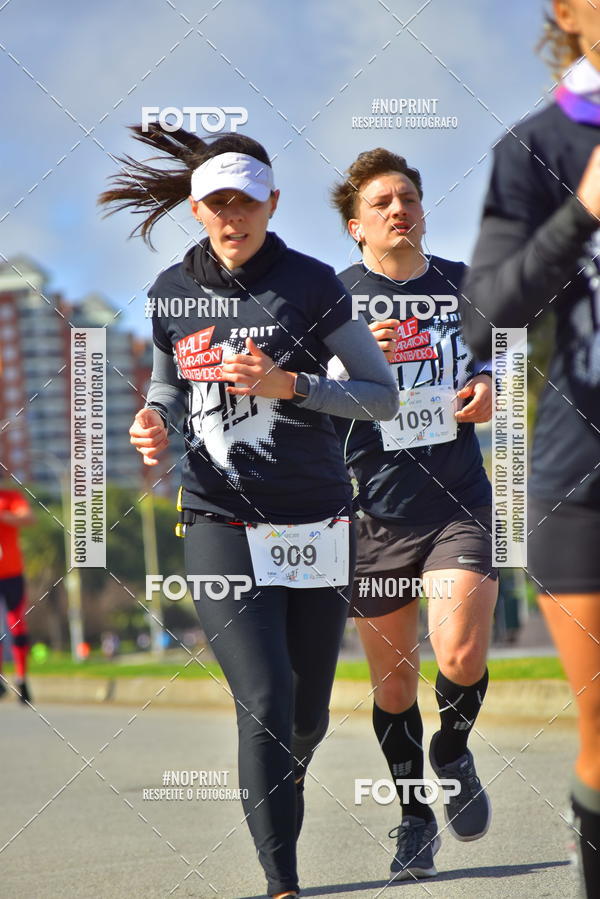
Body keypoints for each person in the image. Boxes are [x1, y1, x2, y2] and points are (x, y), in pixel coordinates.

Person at [99, 124, 398, 899]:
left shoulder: (311, 284)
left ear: (272, 202)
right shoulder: (171, 290)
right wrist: (153, 418)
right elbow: (167, 386)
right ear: (197, 209)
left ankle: (282, 776)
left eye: (246, 202)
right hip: (218, 520)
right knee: (264, 700)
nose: (232, 216)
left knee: (305, 714)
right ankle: (281, 881)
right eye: (217, 203)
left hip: (318, 521)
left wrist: (288, 384)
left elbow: (380, 396)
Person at [460, 3, 600, 894]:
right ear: (567, 11)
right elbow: (485, 316)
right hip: (582, 481)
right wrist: (582, 212)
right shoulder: (538, 145)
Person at [329, 148, 498, 880]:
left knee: (460, 656)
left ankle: (452, 748)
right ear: (356, 226)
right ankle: (414, 818)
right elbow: (295, 396)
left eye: (408, 198)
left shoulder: (464, 285)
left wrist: (490, 381)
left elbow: (506, 352)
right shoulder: (333, 299)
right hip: (370, 512)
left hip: (457, 499)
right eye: (381, 203)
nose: (398, 210)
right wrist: (348, 366)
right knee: (394, 686)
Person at [0, 484, 35, 704]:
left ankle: (22, 679)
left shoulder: (10, 497)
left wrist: (4, 516)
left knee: (17, 625)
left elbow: (28, 518)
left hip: (12, 574)